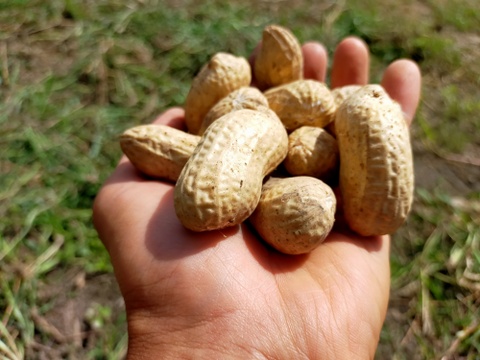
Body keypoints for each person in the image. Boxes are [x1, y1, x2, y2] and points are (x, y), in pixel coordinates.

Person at [93, 37, 421, 359]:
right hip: (260, 168)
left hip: (286, 179)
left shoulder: (293, 136)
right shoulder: (250, 131)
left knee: (309, 192)